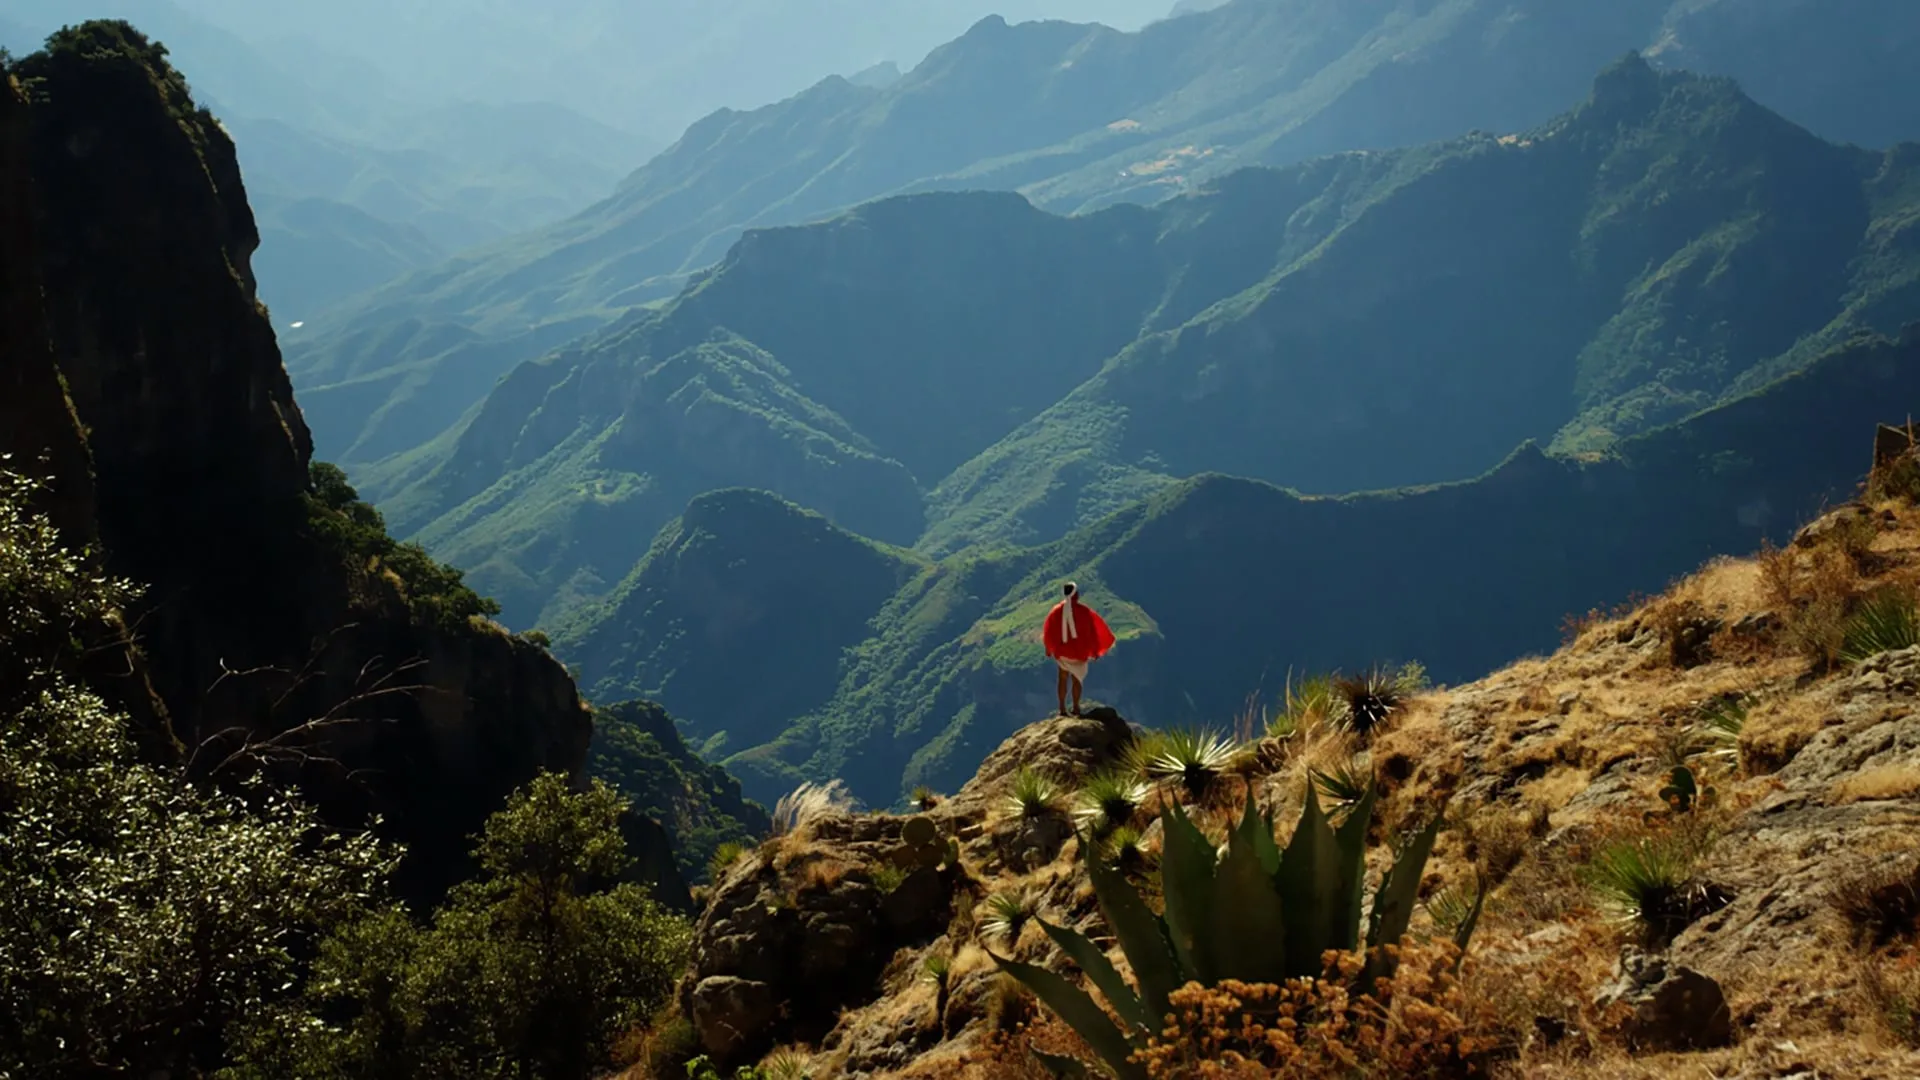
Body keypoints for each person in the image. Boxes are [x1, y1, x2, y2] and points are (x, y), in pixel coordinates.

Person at [1042, 581, 1115, 717]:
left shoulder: (1056, 611)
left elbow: (1048, 631)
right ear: (1076, 595)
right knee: (1077, 680)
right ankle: (1076, 707)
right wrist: (1094, 650)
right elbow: (1093, 632)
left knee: (1062, 678)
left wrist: (1049, 648)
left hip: (1062, 652)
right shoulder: (1084, 611)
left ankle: (1062, 708)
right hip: (1079, 652)